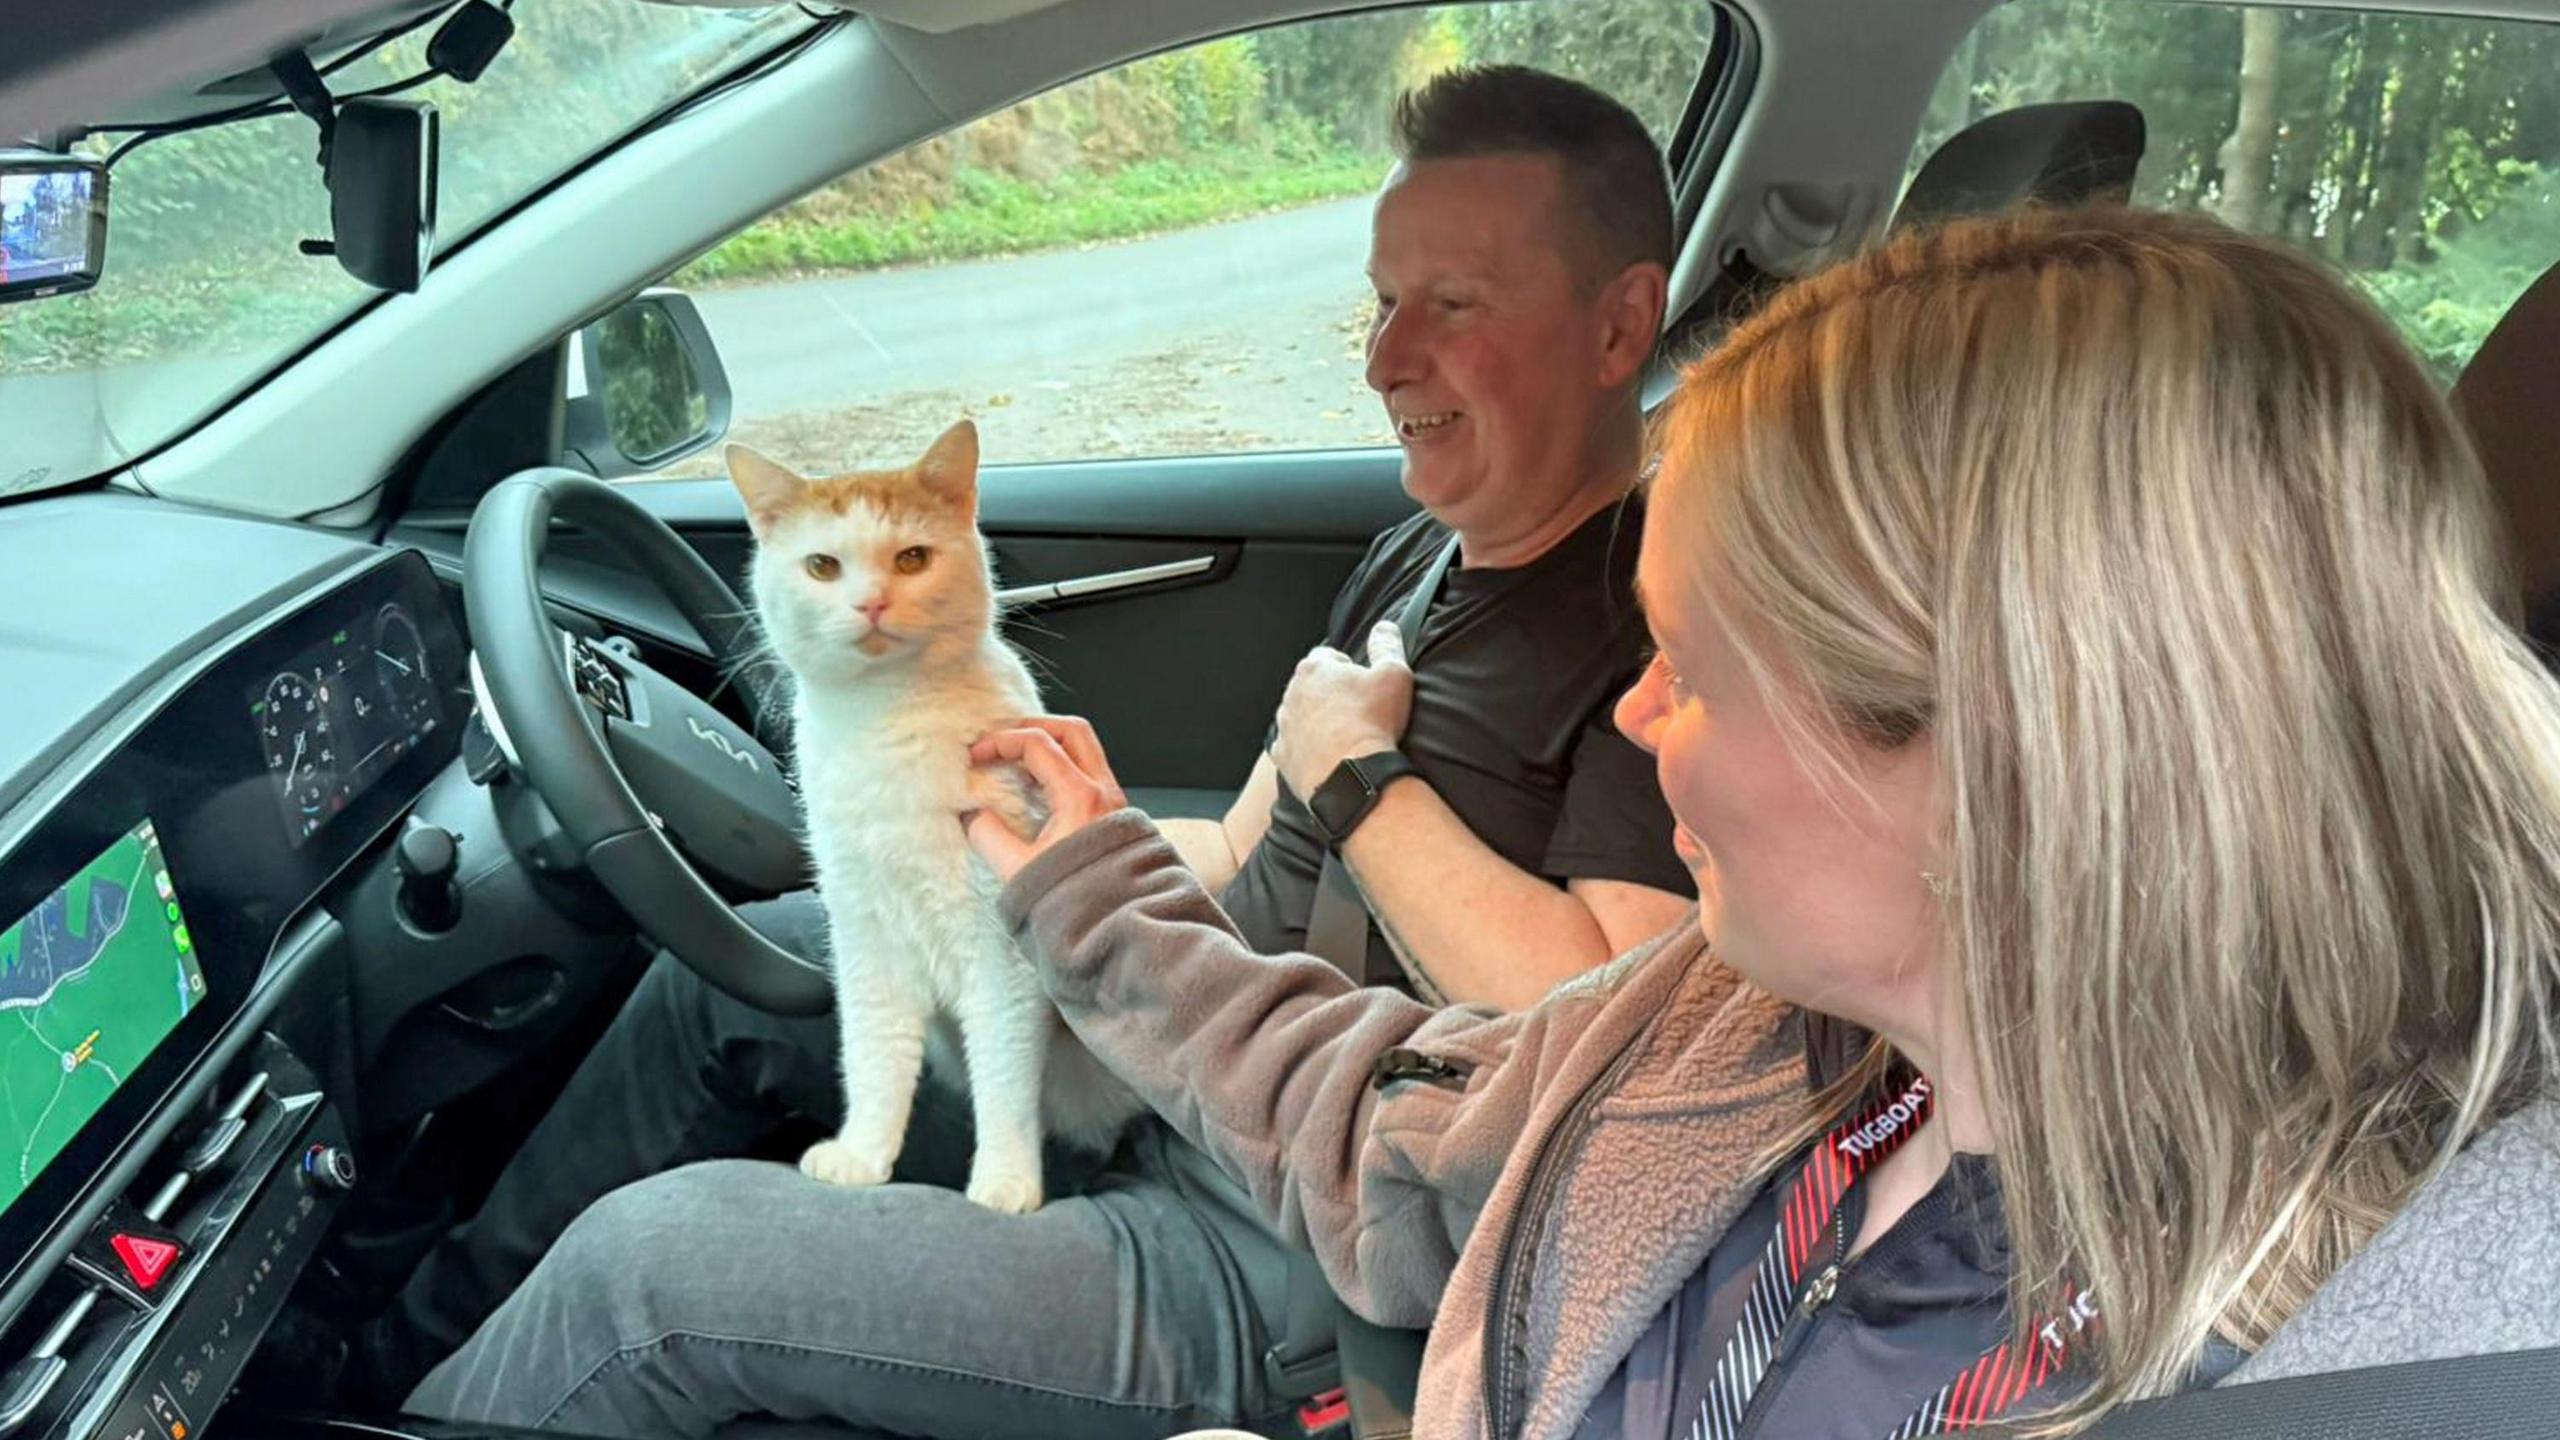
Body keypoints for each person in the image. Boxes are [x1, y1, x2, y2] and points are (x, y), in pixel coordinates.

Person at [933, 205, 2560, 1437]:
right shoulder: (1739, 1025)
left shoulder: (2423, 1351)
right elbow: (1397, 1131)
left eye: (1690, 669)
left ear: (2007, 756)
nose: (1639, 718)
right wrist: (1096, 889)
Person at [385, 65, 1694, 1438]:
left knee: (649, 1277)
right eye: (1381, 302)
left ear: (1619, 328)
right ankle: (410, 1373)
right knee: (735, 977)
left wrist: (1362, 782)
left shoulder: (1663, 629)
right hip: (1189, 1063)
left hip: (1295, 1257)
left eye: (1453, 306)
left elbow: (1619, 1040)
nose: (1381, 361)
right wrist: (1055, 842)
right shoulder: (1420, 556)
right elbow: (1246, 852)